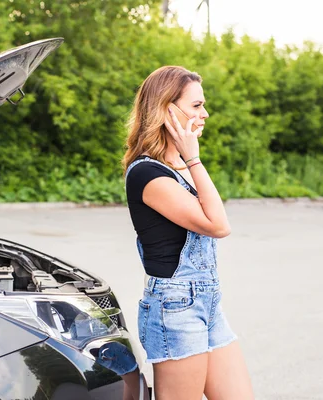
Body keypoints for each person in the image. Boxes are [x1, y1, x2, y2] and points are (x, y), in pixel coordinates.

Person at [122, 66, 254, 400]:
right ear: (167, 109)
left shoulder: (177, 166)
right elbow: (218, 225)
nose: (205, 113)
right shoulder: (146, 174)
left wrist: (188, 159)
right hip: (175, 307)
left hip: (208, 303)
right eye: (196, 106)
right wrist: (193, 158)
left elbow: (214, 215)